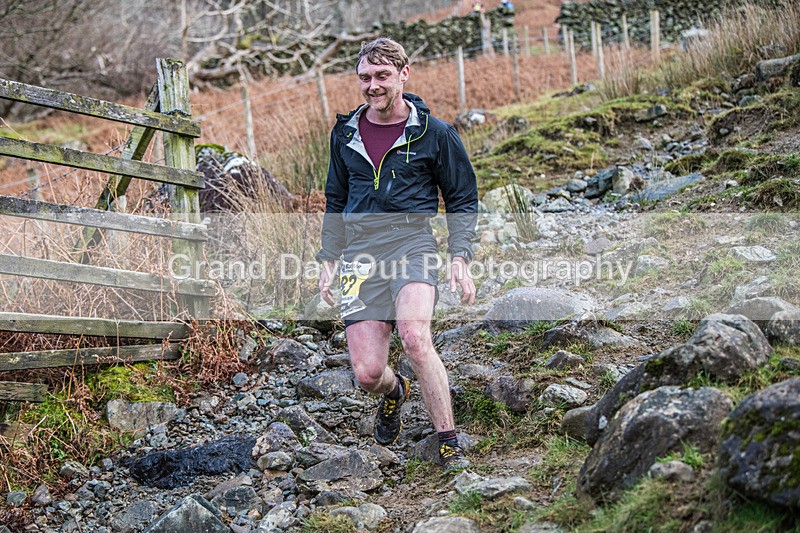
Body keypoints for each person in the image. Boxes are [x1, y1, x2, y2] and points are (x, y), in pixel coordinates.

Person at [316, 37, 478, 471]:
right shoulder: (345, 132)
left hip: (413, 245)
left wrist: (460, 256)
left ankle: (448, 440)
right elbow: (335, 197)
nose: (373, 86)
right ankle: (395, 393)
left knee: (414, 337)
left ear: (404, 74)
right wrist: (328, 259)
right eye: (365, 77)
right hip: (358, 256)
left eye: (382, 76)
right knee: (368, 373)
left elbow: (461, 198)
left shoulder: (435, 133)